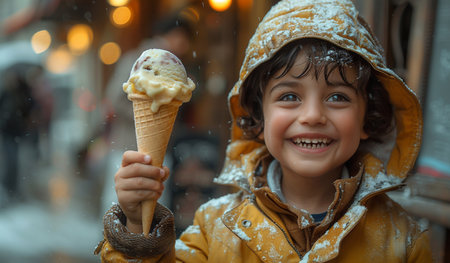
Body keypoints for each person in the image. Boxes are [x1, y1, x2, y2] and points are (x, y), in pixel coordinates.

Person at [96, 0, 432, 261]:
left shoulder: (403, 239)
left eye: (337, 97)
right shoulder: (215, 227)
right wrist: (137, 226)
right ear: (257, 117)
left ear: (367, 118)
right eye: (289, 96)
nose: (313, 115)